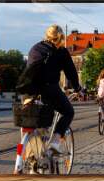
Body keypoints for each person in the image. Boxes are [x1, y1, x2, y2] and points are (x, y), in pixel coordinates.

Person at [25, 24, 82, 153]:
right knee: (68, 112)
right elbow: (71, 73)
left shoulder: (35, 48)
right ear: (61, 38)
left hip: (29, 92)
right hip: (49, 90)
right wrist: (77, 87)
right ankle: (55, 143)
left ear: (47, 35)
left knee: (35, 123)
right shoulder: (61, 51)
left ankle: (30, 157)